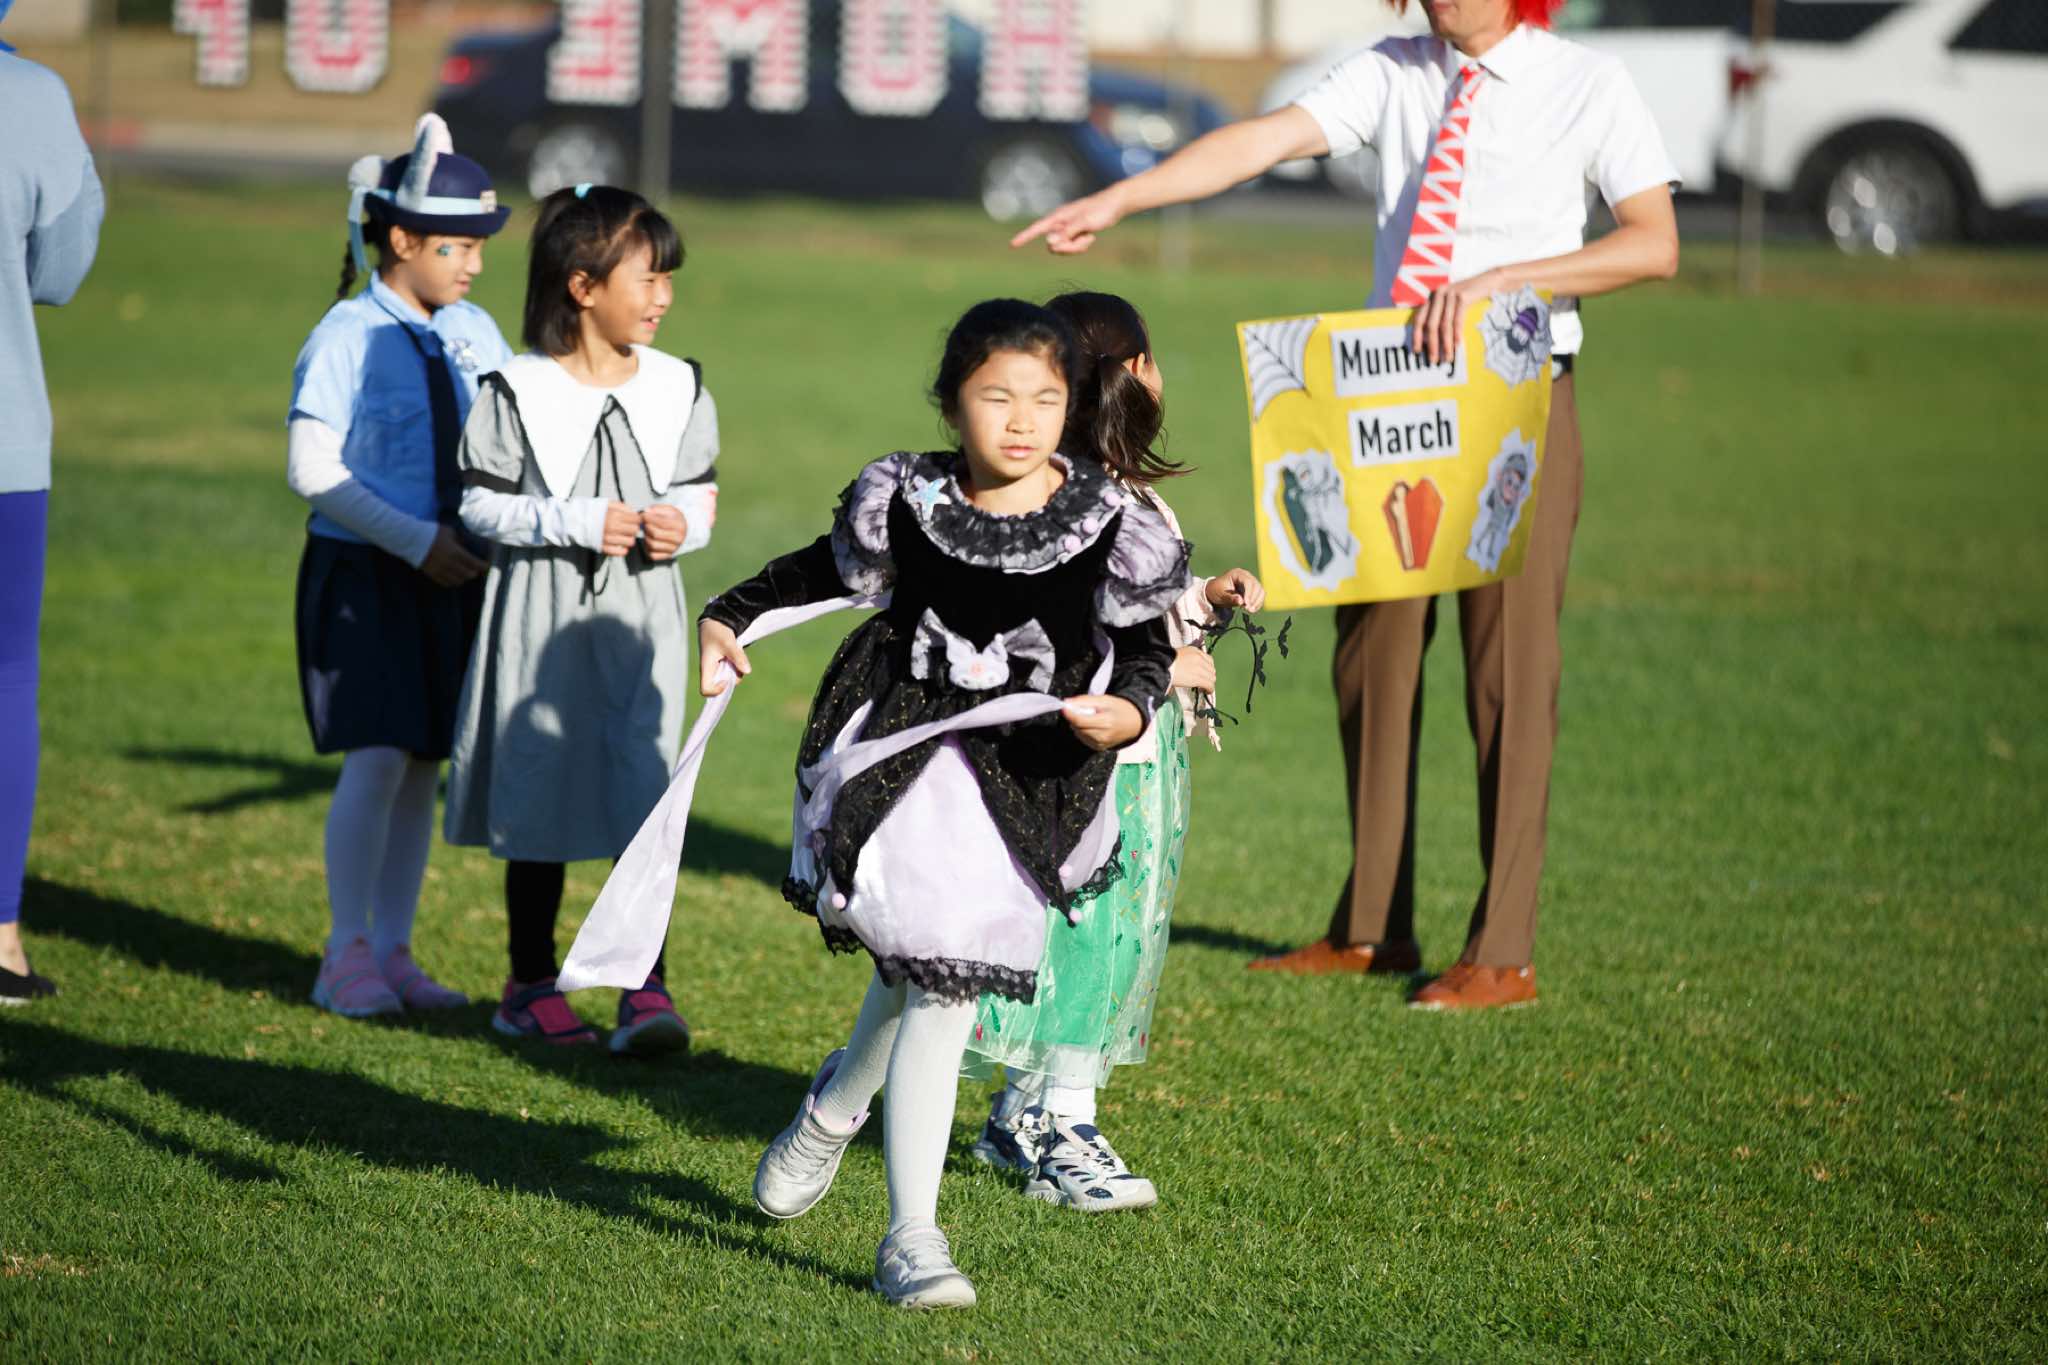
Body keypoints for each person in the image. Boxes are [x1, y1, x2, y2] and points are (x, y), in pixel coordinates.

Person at [1013, 0, 1681, 1009]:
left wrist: (1508, 280)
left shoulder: (1589, 83)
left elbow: (1652, 244)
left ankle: (1502, 951)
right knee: (1371, 658)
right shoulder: (1393, 70)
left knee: (1507, 671)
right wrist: (1125, 197)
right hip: (1387, 400)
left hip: (1515, 398)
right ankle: (1371, 926)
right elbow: (1260, 140)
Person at [694, 299, 1184, 1306]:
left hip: (1029, 777)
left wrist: (1132, 709)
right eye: (995, 396)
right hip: (908, 766)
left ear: (1072, 404)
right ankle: (912, 1239)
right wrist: (725, 616)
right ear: (952, 403)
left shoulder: (1106, 518)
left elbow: (1144, 643)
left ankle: (833, 1110)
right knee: (939, 981)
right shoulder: (908, 500)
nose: (1021, 419)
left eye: (1044, 398)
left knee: (926, 971)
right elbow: (818, 571)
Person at [963, 291, 1264, 1210]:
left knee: (1102, 935)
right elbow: (1071, 642)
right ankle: (1066, 1124)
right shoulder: (1071, 504)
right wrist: (1167, 669)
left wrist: (1204, 600)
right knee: (1089, 939)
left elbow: (1146, 609)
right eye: (1151, 359)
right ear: (1127, 375)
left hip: (1137, 764)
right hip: (1092, 767)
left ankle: (1018, 1117)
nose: (1160, 376)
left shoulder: (1128, 497)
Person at [443, 185, 710, 1057]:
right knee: (541, 780)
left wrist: (682, 526)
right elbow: (479, 504)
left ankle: (645, 984)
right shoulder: (517, 389)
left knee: (644, 789)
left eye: (668, 278)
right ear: (583, 286)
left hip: (642, 615)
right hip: (539, 606)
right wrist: (576, 520)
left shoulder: (678, 385)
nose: (664, 296)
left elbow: (700, 494)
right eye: (648, 278)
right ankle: (527, 983)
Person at [287, 114, 511, 1018]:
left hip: (455, 575)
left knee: (423, 761)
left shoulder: (476, 330)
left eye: (479, 246)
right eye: (457, 246)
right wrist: (416, 541)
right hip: (368, 574)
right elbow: (311, 469)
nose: (474, 265)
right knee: (377, 755)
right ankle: (343, 952)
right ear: (403, 240)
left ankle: (393, 948)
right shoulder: (346, 333)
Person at [0, 23, 103, 1005]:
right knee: (3, 677)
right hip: (3, 444)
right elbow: (61, 270)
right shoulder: (30, 96)